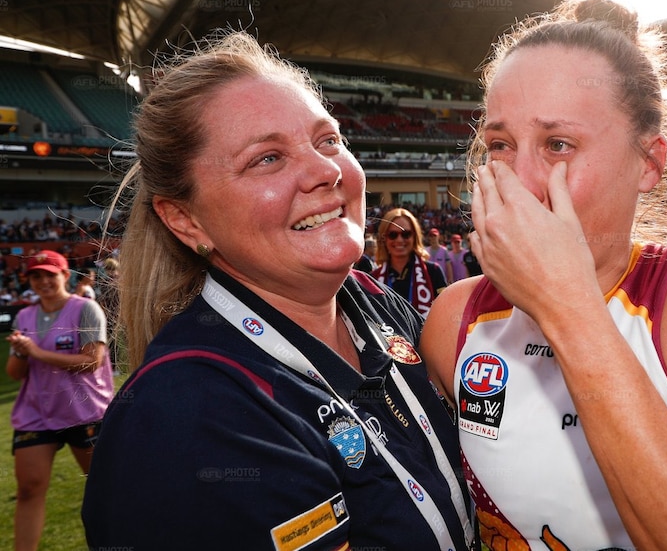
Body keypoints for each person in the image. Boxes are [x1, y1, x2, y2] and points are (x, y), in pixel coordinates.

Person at [419, 0, 667, 551]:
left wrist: (568, 308)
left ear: (649, 163)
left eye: (559, 144)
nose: (521, 179)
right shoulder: (453, 319)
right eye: (501, 145)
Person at [81, 31, 474, 551]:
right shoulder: (186, 417)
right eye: (267, 158)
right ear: (185, 219)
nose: (326, 170)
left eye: (328, 140)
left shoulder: (375, 305)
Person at [5, 249, 112, 551]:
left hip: (85, 410)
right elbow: (15, 373)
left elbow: (91, 361)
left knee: (104, 489)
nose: (43, 281)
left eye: (49, 274)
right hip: (36, 412)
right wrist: (20, 351)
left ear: (65, 275)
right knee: (28, 490)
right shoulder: (25, 315)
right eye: (35, 275)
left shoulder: (85, 309)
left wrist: (37, 352)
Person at [371, 208, 448, 317]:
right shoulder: (373, 279)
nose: (399, 240)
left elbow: (445, 313)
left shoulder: (433, 272)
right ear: (384, 239)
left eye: (406, 234)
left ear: (414, 237)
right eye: (393, 235)